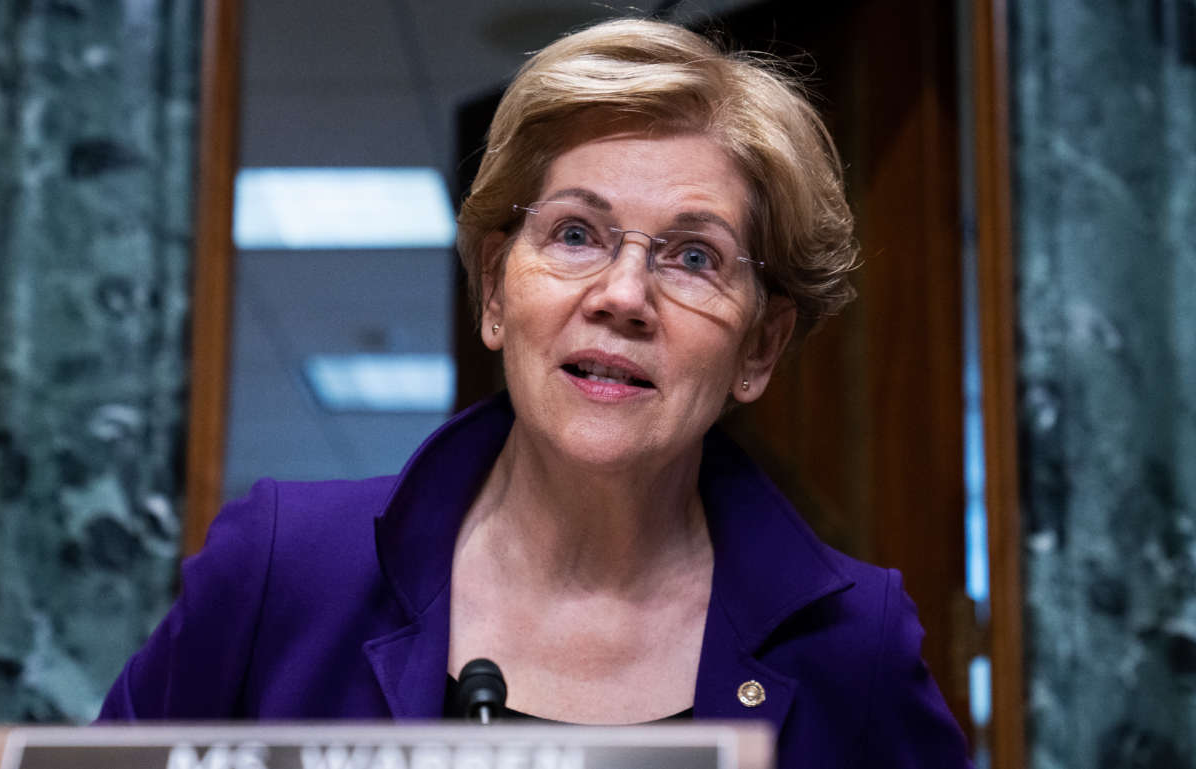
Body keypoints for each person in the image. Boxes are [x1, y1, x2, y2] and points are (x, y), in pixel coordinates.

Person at [99, 17, 972, 767]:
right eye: (576, 233)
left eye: (694, 256)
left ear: (761, 344)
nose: (623, 295)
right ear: (493, 291)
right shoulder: (283, 571)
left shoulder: (853, 645)